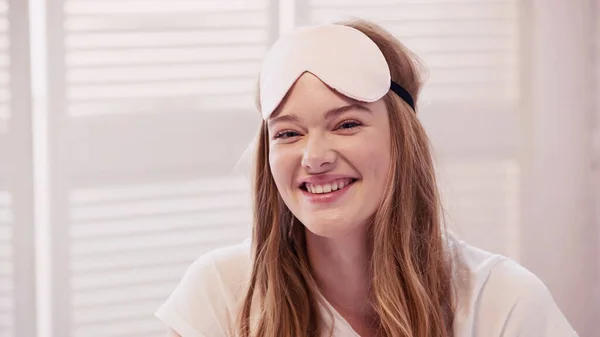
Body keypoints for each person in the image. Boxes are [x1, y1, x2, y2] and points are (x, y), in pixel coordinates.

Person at [155, 19, 578, 337]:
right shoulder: (221, 293)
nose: (314, 157)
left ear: (402, 140)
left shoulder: (503, 304)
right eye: (288, 133)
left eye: (347, 125)